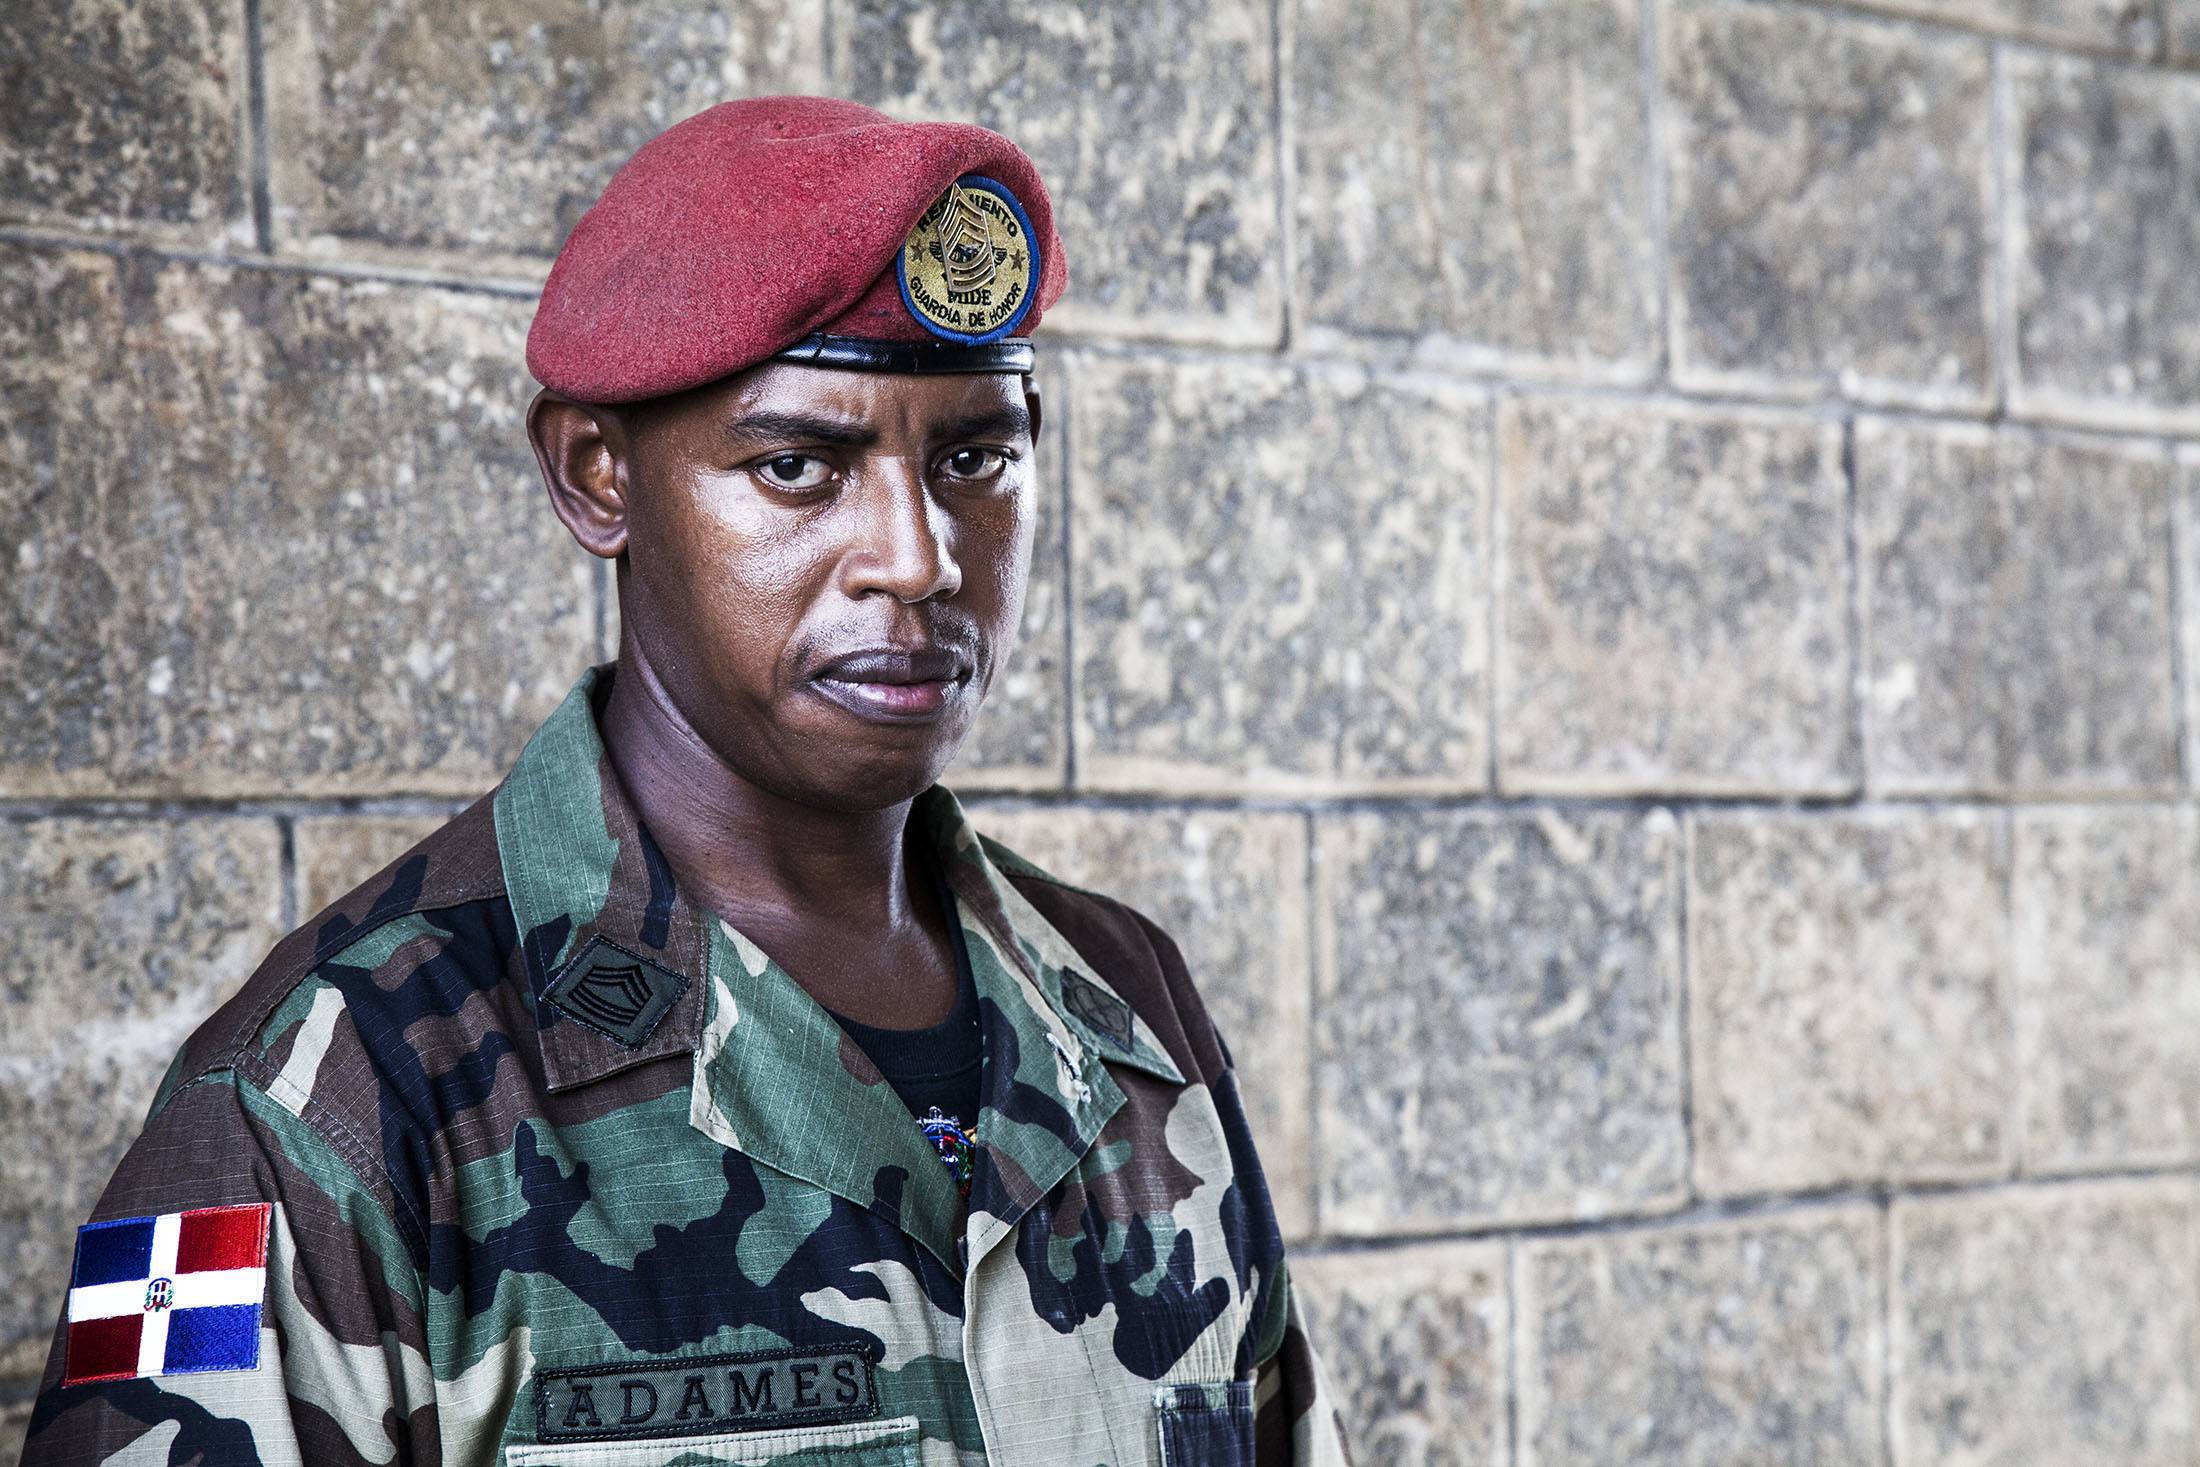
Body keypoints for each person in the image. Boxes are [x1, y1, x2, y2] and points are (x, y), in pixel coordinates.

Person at [18, 97, 1348, 1466]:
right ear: (598, 478)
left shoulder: (1127, 1000)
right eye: (797, 467)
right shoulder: (334, 1084)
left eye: (974, 457)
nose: (920, 559)